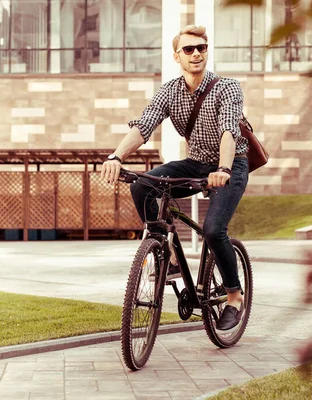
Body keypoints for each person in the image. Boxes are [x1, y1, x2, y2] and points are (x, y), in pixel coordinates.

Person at [100, 25, 249, 332]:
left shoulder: (228, 87)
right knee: (142, 185)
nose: (196, 54)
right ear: (176, 56)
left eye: (202, 48)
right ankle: (166, 252)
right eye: (189, 49)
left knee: (213, 228)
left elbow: (228, 131)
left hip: (230, 165)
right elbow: (144, 125)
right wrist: (116, 157)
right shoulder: (170, 90)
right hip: (195, 163)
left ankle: (234, 295)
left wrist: (221, 169)